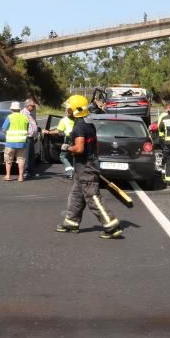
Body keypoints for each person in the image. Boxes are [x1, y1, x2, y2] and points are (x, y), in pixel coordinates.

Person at [55, 94, 123, 239]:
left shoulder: (79, 127)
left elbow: (79, 149)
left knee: (92, 197)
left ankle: (111, 225)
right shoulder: (88, 123)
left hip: (86, 166)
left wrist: (67, 147)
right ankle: (71, 222)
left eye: (69, 108)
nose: (67, 110)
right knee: (76, 196)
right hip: (84, 166)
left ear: (75, 110)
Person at [43, 103, 75, 178]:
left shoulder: (64, 120)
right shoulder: (77, 119)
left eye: (65, 110)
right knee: (72, 156)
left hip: (68, 139)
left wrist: (48, 132)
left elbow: (58, 131)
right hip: (77, 139)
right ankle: (75, 172)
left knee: (63, 156)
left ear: (67, 111)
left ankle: (70, 172)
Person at [1, 101, 29, 182]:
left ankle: (8, 176)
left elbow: (3, 129)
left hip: (10, 142)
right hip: (22, 142)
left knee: (8, 159)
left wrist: (7, 133)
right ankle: (20, 177)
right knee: (21, 160)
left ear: (12, 109)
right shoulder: (25, 117)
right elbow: (26, 129)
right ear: (19, 109)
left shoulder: (10, 117)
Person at [22, 98, 39, 177]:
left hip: (32, 137)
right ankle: (26, 171)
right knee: (27, 155)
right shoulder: (23, 113)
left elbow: (33, 123)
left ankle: (31, 171)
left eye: (34, 106)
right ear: (27, 105)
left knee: (32, 155)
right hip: (27, 137)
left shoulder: (30, 112)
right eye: (32, 106)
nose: (33, 107)